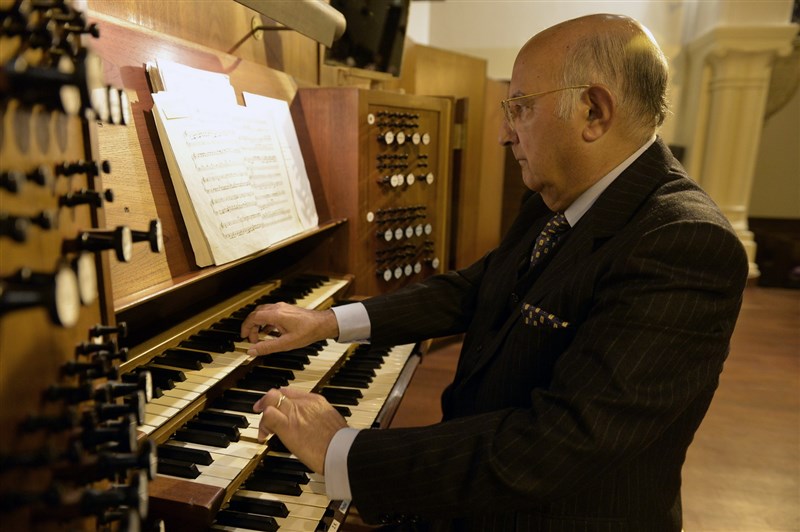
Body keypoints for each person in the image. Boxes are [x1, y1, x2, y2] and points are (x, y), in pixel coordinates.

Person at [240, 13, 748, 531]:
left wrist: (339, 450)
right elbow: (479, 287)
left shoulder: (683, 242)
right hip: (485, 491)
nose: (505, 134)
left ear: (593, 111)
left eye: (520, 108)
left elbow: (558, 444)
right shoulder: (562, 192)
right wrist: (329, 323)